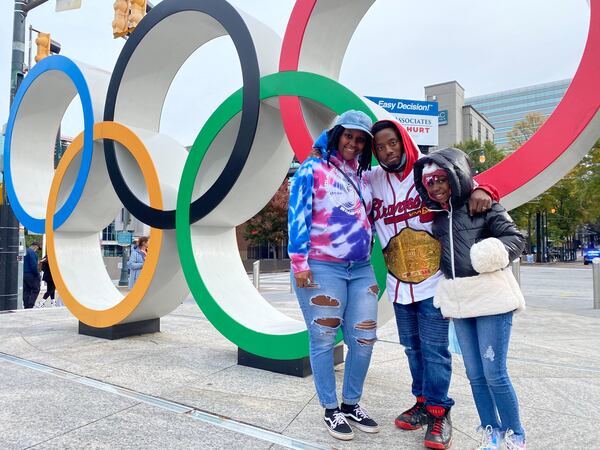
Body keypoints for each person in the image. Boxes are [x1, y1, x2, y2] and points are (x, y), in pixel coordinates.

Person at [313, 119, 497, 449]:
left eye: (392, 143)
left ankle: (440, 411)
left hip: (433, 282)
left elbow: (467, 185)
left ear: (404, 141)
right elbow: (336, 166)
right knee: (412, 349)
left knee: (435, 350)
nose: (386, 151)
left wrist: (486, 190)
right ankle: (423, 402)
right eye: (380, 146)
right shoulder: (369, 179)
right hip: (399, 285)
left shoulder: (427, 170)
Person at [414, 147, 526, 450]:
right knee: (475, 374)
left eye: (441, 179)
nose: (436, 187)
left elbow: (516, 239)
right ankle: (491, 431)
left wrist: (486, 255)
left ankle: (516, 435)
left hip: (491, 298)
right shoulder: (437, 218)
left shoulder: (483, 203)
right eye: (429, 182)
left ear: (456, 175)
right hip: (461, 302)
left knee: (494, 373)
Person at [288, 110, 380, 441]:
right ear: (336, 134)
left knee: (365, 339)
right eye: (349, 136)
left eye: (360, 139)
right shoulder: (313, 169)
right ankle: (331, 408)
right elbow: (297, 212)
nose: (354, 143)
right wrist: (299, 262)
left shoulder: (364, 177)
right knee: (324, 338)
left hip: (361, 269)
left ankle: (351, 402)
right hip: (321, 267)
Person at [23, 241, 41, 309]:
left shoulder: (24, 251)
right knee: (36, 289)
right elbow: (33, 265)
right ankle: (30, 305)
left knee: (26, 290)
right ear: (35, 246)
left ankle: (26, 305)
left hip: (24, 274)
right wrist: (37, 274)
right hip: (31, 274)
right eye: (37, 248)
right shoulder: (32, 253)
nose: (37, 250)